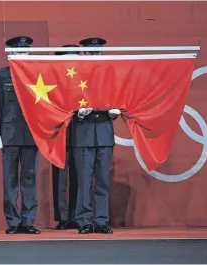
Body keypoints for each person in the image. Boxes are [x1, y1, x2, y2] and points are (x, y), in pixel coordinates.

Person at [72, 38, 121, 234]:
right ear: (84, 54)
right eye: (91, 53)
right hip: (83, 133)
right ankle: (84, 221)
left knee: (102, 181)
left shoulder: (110, 75)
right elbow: (64, 101)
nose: (94, 56)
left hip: (104, 133)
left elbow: (119, 96)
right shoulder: (75, 75)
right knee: (84, 181)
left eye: (97, 52)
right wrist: (78, 113)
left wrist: (115, 112)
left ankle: (101, 220)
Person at [0, 36, 40, 234]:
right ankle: (13, 221)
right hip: (9, 134)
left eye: (25, 51)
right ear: (10, 53)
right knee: (10, 179)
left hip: (31, 133)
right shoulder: (2, 75)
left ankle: (28, 221)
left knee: (30, 179)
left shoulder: (37, 74)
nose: (22, 54)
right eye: (18, 51)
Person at [52, 45, 80, 230]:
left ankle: (76, 215)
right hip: (59, 131)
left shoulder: (83, 77)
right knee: (60, 177)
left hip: (81, 130)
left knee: (79, 176)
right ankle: (62, 217)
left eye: (74, 56)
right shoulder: (52, 78)